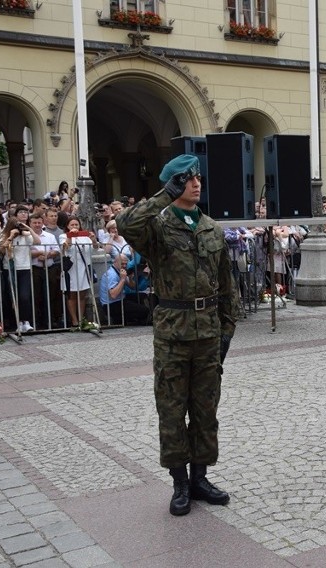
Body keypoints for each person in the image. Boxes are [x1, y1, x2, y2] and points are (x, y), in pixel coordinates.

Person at [115, 154, 240, 517]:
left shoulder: (212, 228)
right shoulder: (158, 227)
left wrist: (227, 330)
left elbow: (227, 287)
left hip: (207, 332)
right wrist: (162, 197)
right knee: (171, 409)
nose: (196, 183)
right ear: (172, 185)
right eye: (187, 179)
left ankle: (200, 477)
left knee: (205, 410)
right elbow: (125, 224)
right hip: (172, 331)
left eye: (198, 177)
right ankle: (180, 483)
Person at [59, 217, 100, 324]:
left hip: (84, 266)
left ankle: (82, 319)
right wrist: (70, 236)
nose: (74, 227)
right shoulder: (63, 236)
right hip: (71, 268)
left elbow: (95, 247)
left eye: (76, 224)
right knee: (72, 294)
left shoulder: (85, 236)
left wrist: (93, 239)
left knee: (82, 294)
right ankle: (74, 320)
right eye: (72, 225)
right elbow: (66, 248)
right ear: (67, 226)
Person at [97, 253, 151, 325]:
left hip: (121, 299)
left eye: (126, 264)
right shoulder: (111, 275)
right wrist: (122, 280)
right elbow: (113, 295)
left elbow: (133, 287)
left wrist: (131, 279)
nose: (125, 266)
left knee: (142, 296)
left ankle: (133, 318)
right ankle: (128, 319)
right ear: (115, 262)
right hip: (111, 305)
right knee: (144, 311)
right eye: (122, 264)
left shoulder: (121, 271)